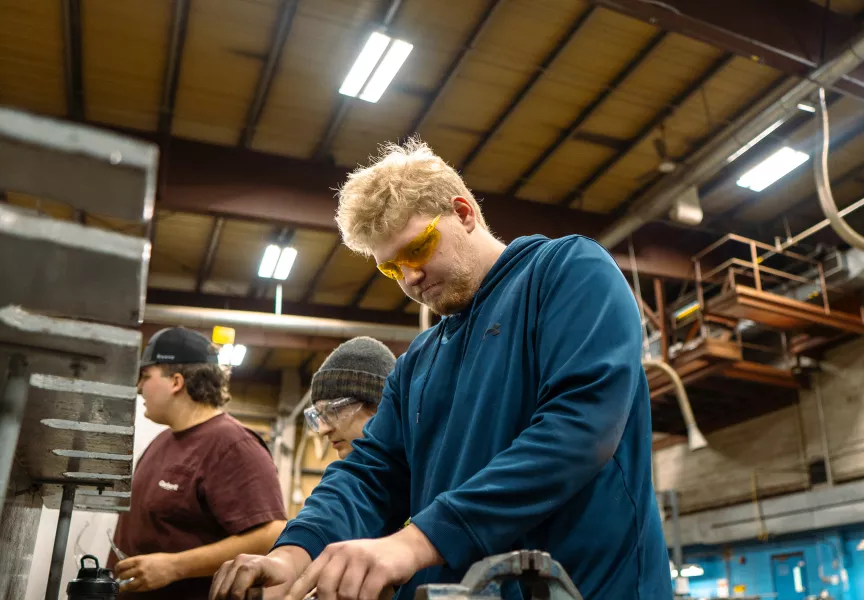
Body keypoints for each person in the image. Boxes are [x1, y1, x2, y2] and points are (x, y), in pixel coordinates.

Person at [210, 139, 671, 600]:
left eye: (417, 249)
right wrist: (293, 553)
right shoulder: (418, 363)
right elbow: (369, 472)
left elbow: (578, 429)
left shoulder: (565, 272)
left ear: (464, 213)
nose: (410, 278)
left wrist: (416, 542)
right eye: (391, 268)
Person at [108, 327, 288, 599]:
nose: (139, 386)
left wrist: (174, 567)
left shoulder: (232, 445)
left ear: (176, 382)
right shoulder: (163, 441)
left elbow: (271, 534)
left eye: (146, 376)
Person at [303, 336, 397, 458]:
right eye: (319, 416)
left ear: (379, 406)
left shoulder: (422, 471)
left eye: (333, 410)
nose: (322, 430)